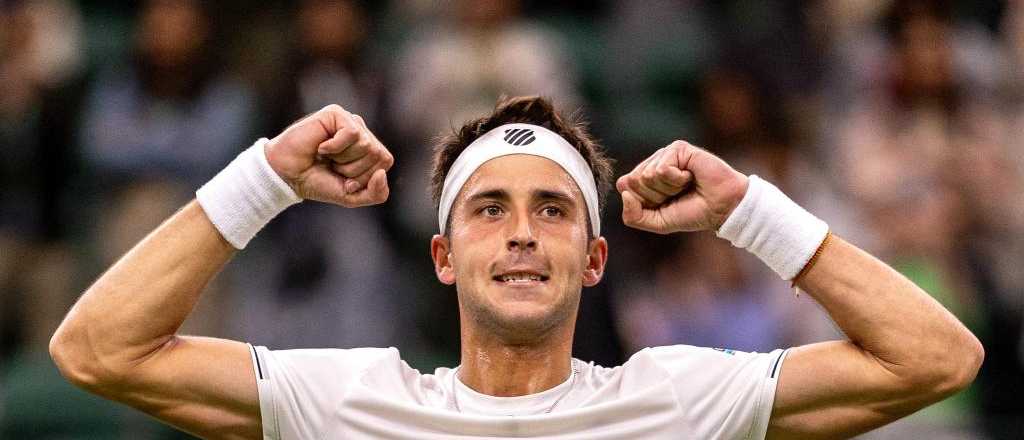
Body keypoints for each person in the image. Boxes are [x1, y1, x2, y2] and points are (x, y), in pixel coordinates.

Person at [49, 96, 982, 439]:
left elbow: (935, 360)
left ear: (596, 257)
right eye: (490, 210)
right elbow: (99, 349)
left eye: (553, 210)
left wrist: (751, 212)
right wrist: (263, 179)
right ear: (446, 259)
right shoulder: (346, 402)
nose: (524, 234)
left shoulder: (683, 401)